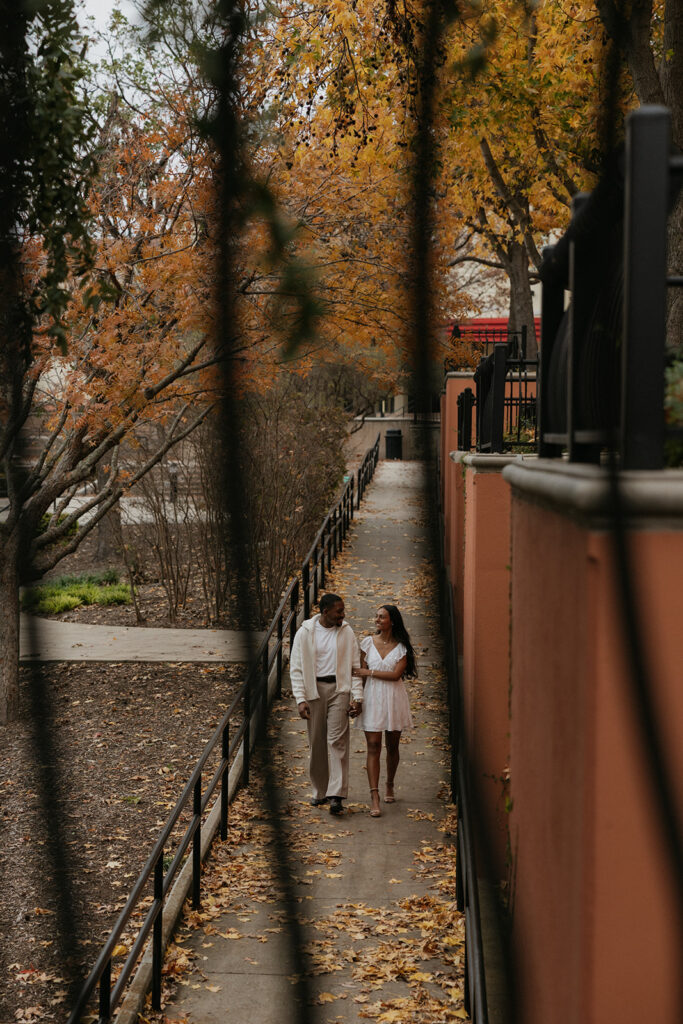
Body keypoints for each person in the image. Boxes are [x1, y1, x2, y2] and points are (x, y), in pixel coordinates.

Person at [290, 593, 363, 815]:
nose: (343, 615)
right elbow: (296, 668)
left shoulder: (347, 632)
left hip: (339, 690)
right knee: (317, 742)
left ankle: (336, 795)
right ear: (325, 612)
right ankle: (319, 791)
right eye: (338, 611)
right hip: (314, 692)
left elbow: (355, 666)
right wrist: (300, 699)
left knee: (337, 741)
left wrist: (357, 696)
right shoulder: (305, 633)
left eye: (343, 610)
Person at [353, 604, 417, 817]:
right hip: (371, 696)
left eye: (382, 617)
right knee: (373, 745)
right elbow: (359, 675)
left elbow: (396, 675)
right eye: (376, 616)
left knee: (392, 745)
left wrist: (369, 671)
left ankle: (389, 783)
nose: (377, 620)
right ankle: (374, 796)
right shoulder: (367, 643)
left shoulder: (402, 647)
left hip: (393, 699)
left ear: (392, 621)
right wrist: (357, 699)